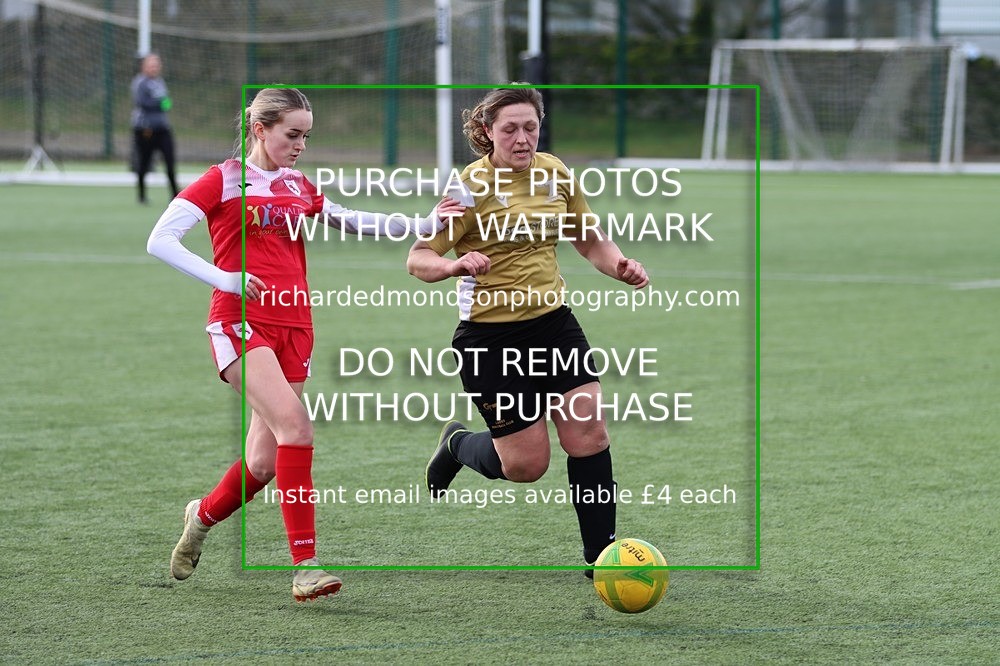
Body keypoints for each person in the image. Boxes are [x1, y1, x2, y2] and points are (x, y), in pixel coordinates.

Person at [147, 87, 460, 601]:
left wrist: (423, 224)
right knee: (297, 427)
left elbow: (350, 218)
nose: (299, 146)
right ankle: (305, 565)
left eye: (305, 136)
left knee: (264, 465)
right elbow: (160, 239)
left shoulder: (296, 182)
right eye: (291, 135)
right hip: (240, 323)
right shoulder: (222, 179)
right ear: (260, 129)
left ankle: (200, 518)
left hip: (296, 327)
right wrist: (224, 279)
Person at [407, 85, 649, 577]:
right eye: (510, 129)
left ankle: (601, 557)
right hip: (489, 339)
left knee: (590, 434)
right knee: (525, 466)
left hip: (554, 324)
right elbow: (419, 258)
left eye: (530, 127)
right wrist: (455, 268)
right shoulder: (466, 188)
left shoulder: (555, 171)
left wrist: (619, 264)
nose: (522, 138)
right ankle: (457, 444)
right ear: (486, 133)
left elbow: (588, 237)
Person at [131, 53, 180, 204]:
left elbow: (166, 102)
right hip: (145, 129)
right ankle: (141, 195)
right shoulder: (140, 83)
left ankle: (175, 195)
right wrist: (160, 104)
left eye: (156, 64)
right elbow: (143, 103)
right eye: (151, 64)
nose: (154, 67)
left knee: (170, 160)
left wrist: (164, 103)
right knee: (144, 162)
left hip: (162, 127)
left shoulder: (160, 82)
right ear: (144, 66)